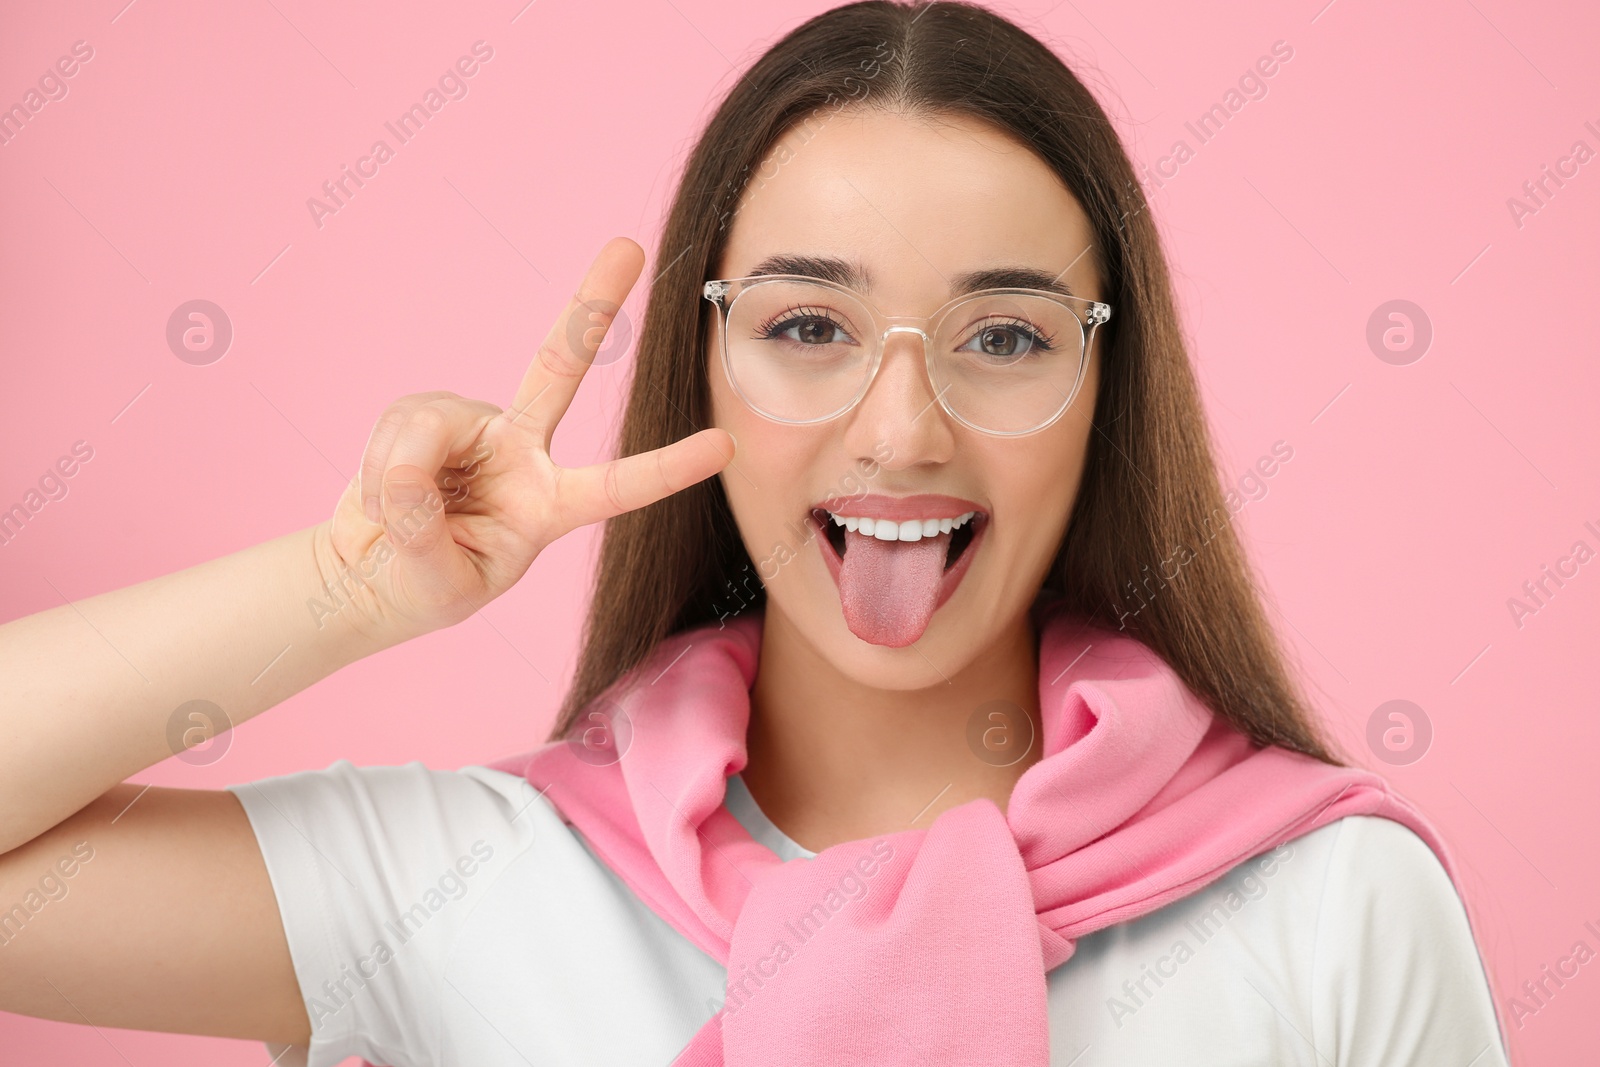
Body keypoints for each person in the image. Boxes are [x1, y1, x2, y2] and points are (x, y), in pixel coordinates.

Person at [0, 2, 1510, 1065]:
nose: (902, 427)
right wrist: (348, 588)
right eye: (807, 322)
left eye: (1002, 337)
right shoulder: (472, 883)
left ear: (1108, 391)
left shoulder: (1334, 909)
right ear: (701, 362)